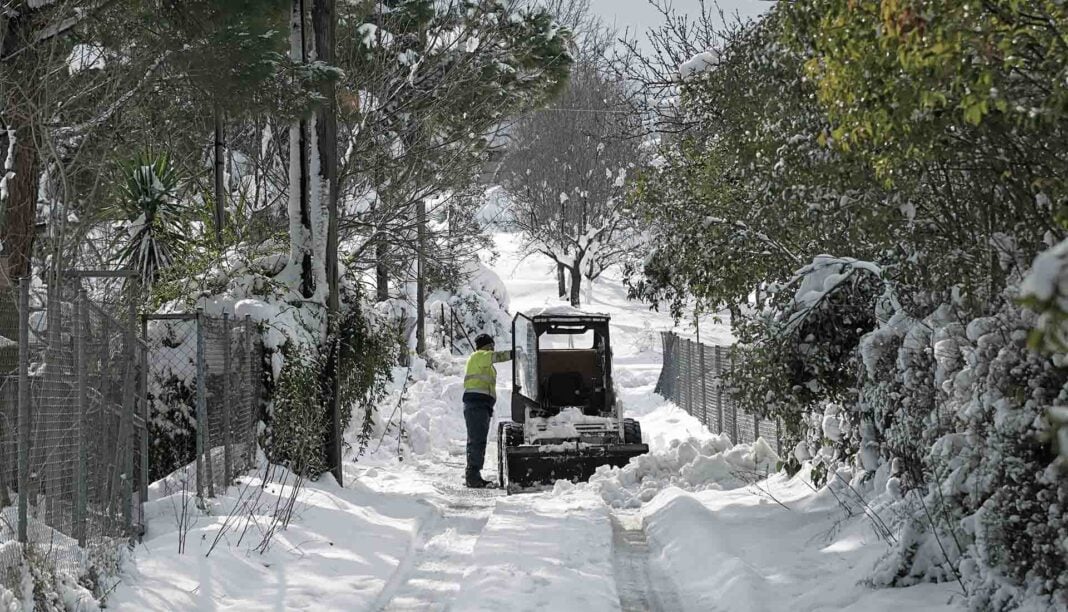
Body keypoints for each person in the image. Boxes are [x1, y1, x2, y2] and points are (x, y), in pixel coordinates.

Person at [462, 333, 512, 488]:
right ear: (485, 346)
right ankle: (473, 477)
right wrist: (514, 353)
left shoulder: (482, 362)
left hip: (481, 405)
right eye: (491, 346)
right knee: (477, 440)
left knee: (477, 439)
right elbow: (497, 356)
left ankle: (473, 474)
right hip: (477, 404)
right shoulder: (479, 356)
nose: (493, 349)